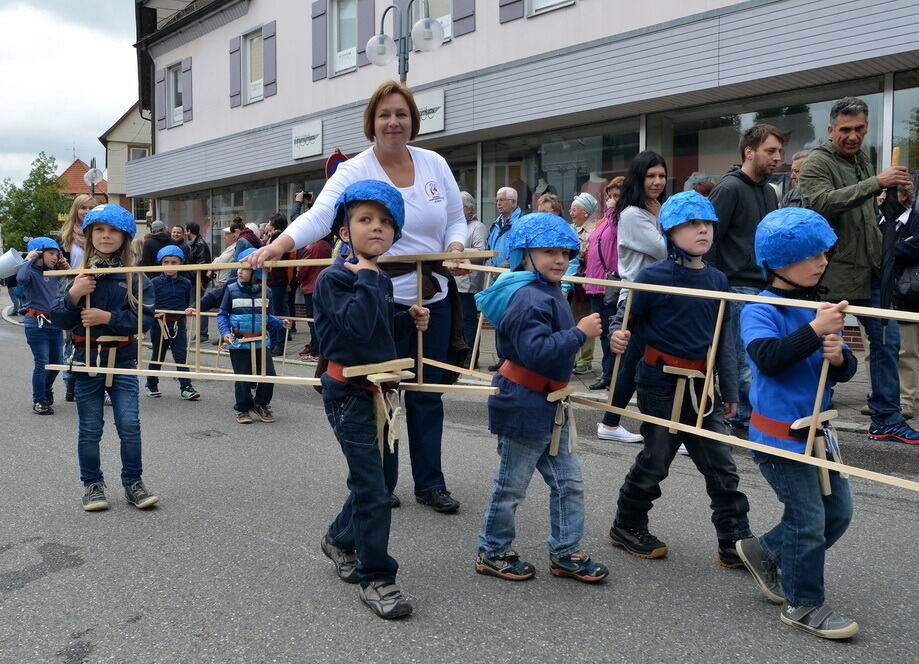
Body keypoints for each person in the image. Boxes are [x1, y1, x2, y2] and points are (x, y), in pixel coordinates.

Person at [245, 80, 467, 514]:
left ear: (413, 120)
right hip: (375, 300)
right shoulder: (354, 170)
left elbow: (456, 220)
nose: (393, 122)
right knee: (379, 392)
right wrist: (277, 246)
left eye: (401, 114)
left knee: (427, 394)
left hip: (432, 300)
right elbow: (319, 216)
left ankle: (431, 482)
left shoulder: (435, 163)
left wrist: (456, 248)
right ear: (372, 122)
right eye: (384, 114)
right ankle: (382, 483)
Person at [607, 191, 752, 566]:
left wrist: (730, 388)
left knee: (721, 464)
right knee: (655, 461)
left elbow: (723, 341)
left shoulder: (719, 280)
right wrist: (616, 334)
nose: (702, 230)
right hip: (659, 383)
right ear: (670, 232)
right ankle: (627, 524)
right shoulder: (652, 276)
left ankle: (734, 539)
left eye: (706, 224)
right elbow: (624, 319)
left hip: (703, 388)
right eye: (691, 224)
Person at [736, 207, 859, 639]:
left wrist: (840, 356)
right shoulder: (759, 308)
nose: (823, 261)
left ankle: (765, 549)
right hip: (779, 439)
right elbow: (768, 359)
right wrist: (815, 329)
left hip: (820, 434)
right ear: (781, 261)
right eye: (813, 255)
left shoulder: (817, 306)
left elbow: (842, 371)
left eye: (825, 253)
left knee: (838, 513)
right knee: (807, 520)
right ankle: (803, 601)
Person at [313, 179, 428, 620]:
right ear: (344, 230)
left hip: (383, 393)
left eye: (385, 223)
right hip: (347, 395)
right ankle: (377, 576)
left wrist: (406, 315)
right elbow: (356, 328)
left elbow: (377, 327)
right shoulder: (335, 278)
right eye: (364, 220)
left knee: (380, 481)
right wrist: (366, 281)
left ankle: (340, 539)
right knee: (373, 488)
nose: (376, 228)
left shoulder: (375, 280)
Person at [473, 212, 609, 583]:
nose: (560, 260)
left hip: (550, 406)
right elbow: (535, 352)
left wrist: (594, 336)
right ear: (524, 254)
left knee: (568, 482)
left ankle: (565, 552)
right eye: (549, 251)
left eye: (565, 252)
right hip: (523, 404)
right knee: (511, 485)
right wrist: (580, 334)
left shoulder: (548, 290)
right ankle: (493, 550)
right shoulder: (529, 297)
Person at [798, 95, 919, 443]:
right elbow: (820, 202)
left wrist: (887, 196)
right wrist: (875, 184)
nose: (853, 136)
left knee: (887, 341)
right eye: (846, 129)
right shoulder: (817, 163)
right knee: (820, 342)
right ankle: (812, 409)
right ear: (831, 129)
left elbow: (865, 208)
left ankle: (886, 416)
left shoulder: (863, 158)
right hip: (832, 272)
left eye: (860, 128)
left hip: (871, 269)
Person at [49, 204, 158, 512]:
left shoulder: (136, 278)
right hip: (86, 361)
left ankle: (133, 483)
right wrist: (73, 294)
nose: (106, 236)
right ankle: (92, 485)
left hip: (122, 360)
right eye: (99, 230)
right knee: (89, 428)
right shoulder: (75, 275)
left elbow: (144, 320)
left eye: (113, 231)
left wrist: (106, 316)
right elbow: (59, 318)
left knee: (129, 424)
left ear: (124, 237)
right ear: (89, 234)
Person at [707, 124, 785, 438]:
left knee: (757, 356)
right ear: (748, 152)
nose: (778, 158)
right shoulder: (728, 189)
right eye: (771, 151)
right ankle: (740, 417)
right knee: (742, 358)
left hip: (764, 287)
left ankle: (751, 415)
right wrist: (713, 288)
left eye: (780, 151)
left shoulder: (769, 191)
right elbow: (709, 240)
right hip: (736, 286)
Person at [597, 151, 670, 444]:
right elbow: (665, 249)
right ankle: (612, 423)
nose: (656, 182)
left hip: (662, 298)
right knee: (630, 363)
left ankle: (614, 423)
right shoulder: (631, 214)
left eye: (661, 176)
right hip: (637, 297)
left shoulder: (660, 209)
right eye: (650, 176)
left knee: (640, 363)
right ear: (638, 178)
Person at [217, 247, 290, 424]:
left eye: (245, 268)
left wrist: (280, 323)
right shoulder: (231, 289)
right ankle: (242, 408)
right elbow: (222, 314)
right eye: (239, 267)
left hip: (260, 341)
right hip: (239, 342)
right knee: (243, 377)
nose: (239, 271)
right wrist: (225, 333)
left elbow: (266, 317)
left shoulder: (267, 291)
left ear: (256, 271)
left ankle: (261, 404)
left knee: (269, 375)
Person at [18, 237, 68, 414]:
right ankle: (39, 400)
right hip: (36, 324)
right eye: (51, 253)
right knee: (42, 363)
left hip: (55, 323)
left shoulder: (54, 273)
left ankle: (46, 390)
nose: (55, 257)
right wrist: (29, 258)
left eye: (57, 254)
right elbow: (21, 277)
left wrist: (65, 266)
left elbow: (73, 282)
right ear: (39, 253)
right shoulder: (30, 272)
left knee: (57, 363)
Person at [145, 246, 200, 401]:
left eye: (174, 262)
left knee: (181, 356)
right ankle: (151, 384)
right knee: (158, 356)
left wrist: (190, 308)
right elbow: (149, 303)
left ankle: (186, 387)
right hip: (159, 324)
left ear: (181, 263)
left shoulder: (186, 283)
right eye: (166, 262)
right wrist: (153, 312)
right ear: (160, 264)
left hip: (178, 324)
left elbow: (189, 301)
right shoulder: (154, 283)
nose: (170, 265)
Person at [884, 183, 919, 421]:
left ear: (904, 195)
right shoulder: (882, 220)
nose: (882, 197)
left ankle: (906, 401)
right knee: (884, 347)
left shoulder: (915, 219)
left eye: (889, 192)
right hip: (886, 293)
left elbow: (914, 248)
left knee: (908, 350)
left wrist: (891, 248)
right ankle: (883, 396)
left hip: (909, 294)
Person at [584, 180, 623, 391]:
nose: (612, 200)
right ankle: (608, 373)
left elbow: (619, 236)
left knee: (611, 331)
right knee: (603, 331)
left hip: (610, 284)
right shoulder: (604, 221)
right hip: (596, 283)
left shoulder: (620, 220)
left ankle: (611, 375)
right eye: (611, 195)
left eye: (617, 196)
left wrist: (614, 210)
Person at [60, 195, 96, 401]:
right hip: (71, 288)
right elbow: (56, 262)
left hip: (95, 287)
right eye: (83, 207)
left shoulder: (100, 233)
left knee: (93, 334)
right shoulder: (66, 236)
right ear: (76, 210)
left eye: (91, 207)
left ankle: (97, 380)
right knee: (71, 337)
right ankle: (70, 380)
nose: (87, 211)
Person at [455, 191, 488, 368]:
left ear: (467, 207)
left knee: (468, 321)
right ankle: (460, 355)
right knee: (458, 322)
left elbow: (481, 251)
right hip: (454, 282)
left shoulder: (477, 227)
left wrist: (457, 251)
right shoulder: (456, 226)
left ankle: (471, 357)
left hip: (469, 283)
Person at [570, 192, 599, 375]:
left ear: (586, 212)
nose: (571, 213)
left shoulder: (593, 231)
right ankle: (573, 357)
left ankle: (585, 360)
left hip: (584, 282)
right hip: (570, 281)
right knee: (572, 320)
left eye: (575, 209)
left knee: (585, 318)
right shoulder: (570, 228)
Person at [185, 221, 212, 342]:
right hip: (195, 278)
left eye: (186, 230)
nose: (186, 233)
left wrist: (201, 280)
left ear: (189, 231)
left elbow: (202, 263)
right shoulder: (196, 244)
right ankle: (201, 332)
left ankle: (202, 333)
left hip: (197, 279)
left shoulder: (199, 244)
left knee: (201, 304)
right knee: (198, 304)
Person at [487, 187, 522, 269]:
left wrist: (502, 269)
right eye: (497, 200)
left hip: (512, 277)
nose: (498, 203)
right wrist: (490, 267)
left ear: (513, 202)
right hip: (493, 277)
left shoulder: (521, 224)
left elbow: (520, 252)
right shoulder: (494, 225)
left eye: (502, 200)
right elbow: (487, 249)